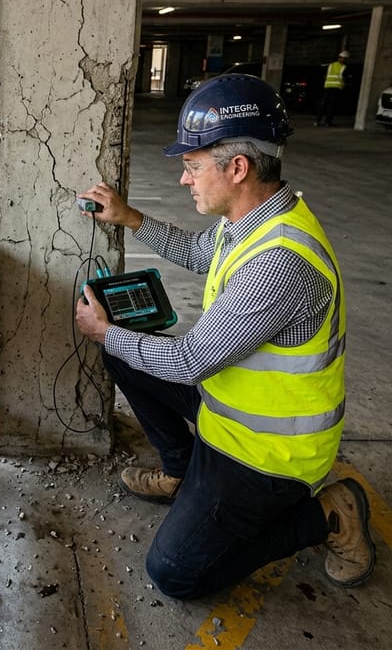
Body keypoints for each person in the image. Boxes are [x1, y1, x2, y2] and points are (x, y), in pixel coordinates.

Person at [75, 74, 375, 601]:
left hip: (269, 454)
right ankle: (182, 471)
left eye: (192, 167)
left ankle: (330, 514)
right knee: (123, 354)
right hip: (226, 408)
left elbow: (191, 361)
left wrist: (105, 330)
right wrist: (130, 219)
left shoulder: (279, 261)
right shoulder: (253, 218)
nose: (184, 180)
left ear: (237, 168)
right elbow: (199, 255)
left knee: (175, 573)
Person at [315, 49, 350, 127]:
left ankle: (317, 121)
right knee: (331, 106)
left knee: (323, 104)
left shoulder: (331, 65)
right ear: (343, 58)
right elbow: (344, 78)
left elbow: (325, 75)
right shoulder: (344, 67)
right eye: (345, 58)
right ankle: (327, 122)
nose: (344, 60)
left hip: (327, 87)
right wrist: (343, 86)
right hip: (336, 88)